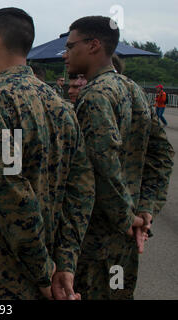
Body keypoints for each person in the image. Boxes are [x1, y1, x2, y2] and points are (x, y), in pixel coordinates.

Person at [0, 7, 95, 300]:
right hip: (45, 265)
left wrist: (42, 272)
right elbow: (82, 189)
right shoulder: (61, 106)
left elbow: (10, 194)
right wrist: (65, 264)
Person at [62, 16, 175, 299]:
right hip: (125, 239)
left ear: (94, 46)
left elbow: (103, 166)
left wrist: (126, 218)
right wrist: (145, 209)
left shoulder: (95, 95)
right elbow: (162, 156)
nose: (65, 54)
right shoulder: (134, 90)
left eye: (70, 45)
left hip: (95, 239)